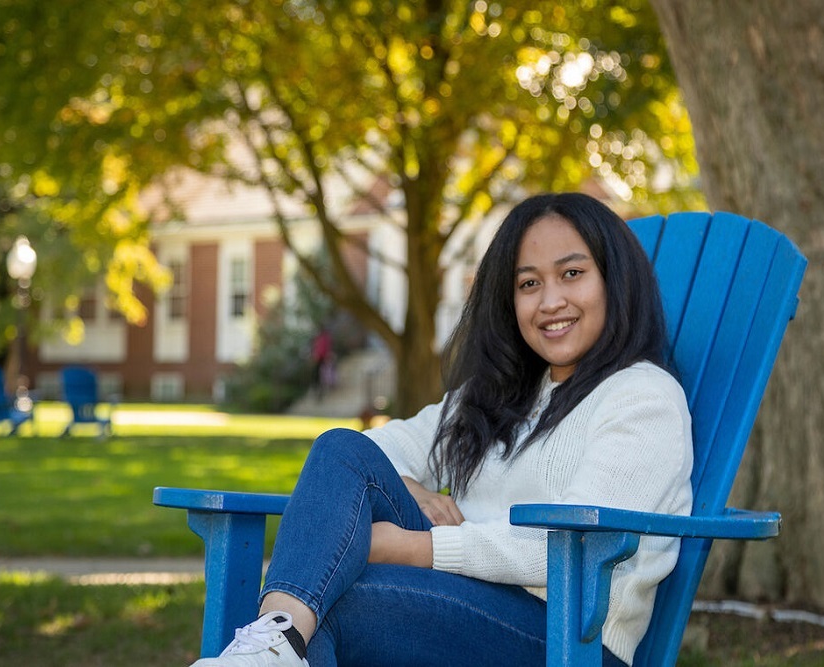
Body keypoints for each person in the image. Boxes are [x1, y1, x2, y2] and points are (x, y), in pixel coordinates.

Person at [190, 192, 693, 667]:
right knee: (340, 448)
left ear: (615, 281)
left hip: (568, 633)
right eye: (529, 283)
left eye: (573, 273)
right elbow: (369, 452)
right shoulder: (498, 394)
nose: (550, 301)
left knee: (331, 602)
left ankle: (276, 642)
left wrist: (409, 547)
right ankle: (276, 640)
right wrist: (410, 486)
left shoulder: (642, 397)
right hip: (464, 597)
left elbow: (573, 547)